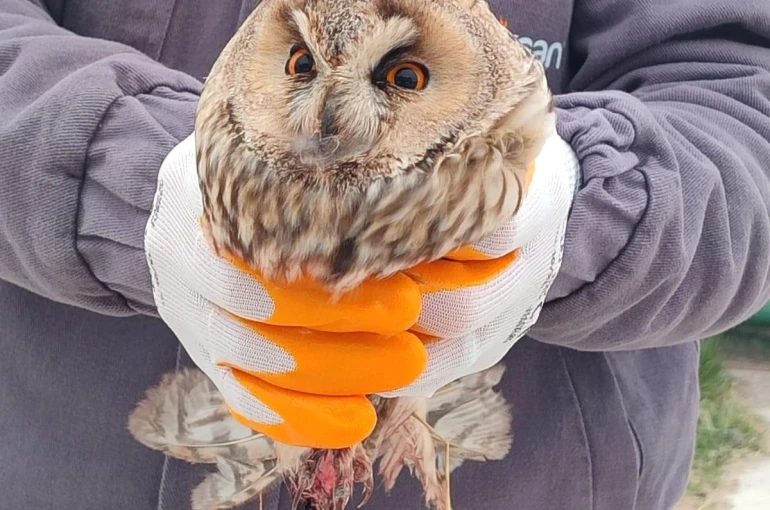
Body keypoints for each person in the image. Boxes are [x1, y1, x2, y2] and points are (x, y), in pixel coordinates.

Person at [1, 0, 768, 509]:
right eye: (299, 69)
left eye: (405, 76)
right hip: (73, 460)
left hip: (534, 475)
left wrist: (582, 209)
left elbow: (740, 93)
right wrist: (124, 174)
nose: (332, 118)